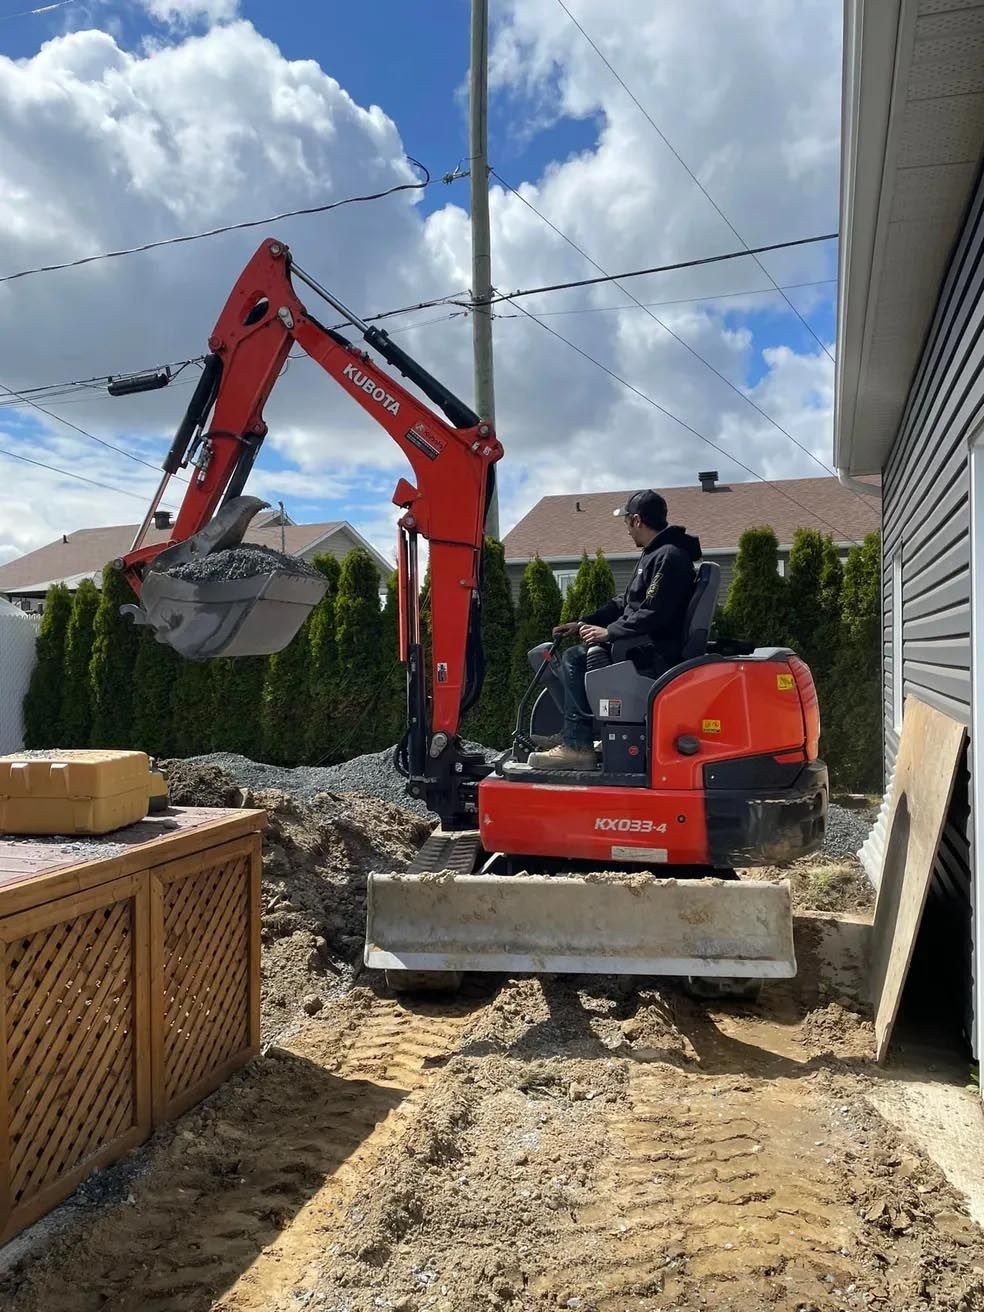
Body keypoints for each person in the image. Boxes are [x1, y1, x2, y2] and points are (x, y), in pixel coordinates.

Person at [529, 489, 701, 770]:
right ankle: (575, 733)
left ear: (636, 520)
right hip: (646, 643)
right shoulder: (657, 554)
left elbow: (654, 613)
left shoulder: (668, 557)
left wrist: (609, 633)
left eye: (627, 523)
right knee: (578, 653)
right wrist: (583, 622)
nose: (627, 530)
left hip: (656, 652)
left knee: (576, 658)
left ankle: (577, 746)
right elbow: (625, 603)